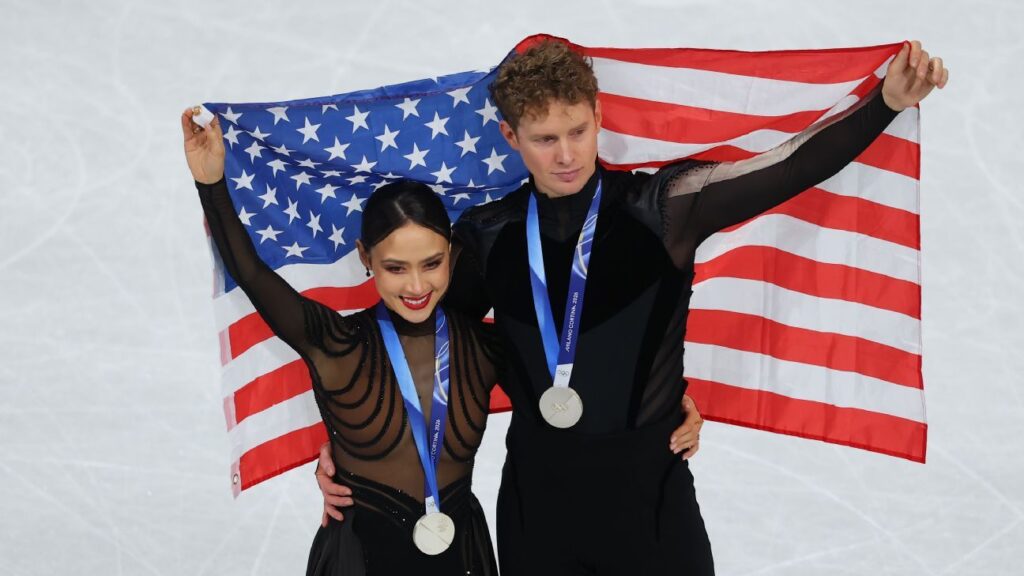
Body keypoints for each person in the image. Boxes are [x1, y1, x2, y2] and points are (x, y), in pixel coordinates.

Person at [316, 38, 948, 575]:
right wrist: (351, 448)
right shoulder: (486, 237)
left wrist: (886, 104)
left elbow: (785, 169)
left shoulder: (664, 209)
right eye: (543, 138)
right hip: (541, 504)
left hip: (652, 494)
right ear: (510, 136)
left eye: (577, 131)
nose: (565, 154)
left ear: (598, 115)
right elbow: (408, 333)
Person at [182, 109, 501, 574]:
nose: (416, 286)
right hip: (358, 558)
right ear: (365, 258)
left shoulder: (482, 345)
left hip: (460, 556)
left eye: (431, 264)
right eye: (396, 267)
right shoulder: (338, 345)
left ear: (452, 255)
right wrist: (211, 184)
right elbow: (251, 273)